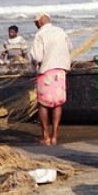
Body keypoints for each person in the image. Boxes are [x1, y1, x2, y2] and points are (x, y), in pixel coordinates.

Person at [31, 12, 72, 145]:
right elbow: (69, 48)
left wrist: (34, 66)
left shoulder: (40, 34)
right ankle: (55, 136)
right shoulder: (61, 31)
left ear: (39, 22)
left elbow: (37, 57)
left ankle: (46, 137)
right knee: (57, 103)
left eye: (36, 23)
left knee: (43, 103)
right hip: (60, 71)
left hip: (46, 71)